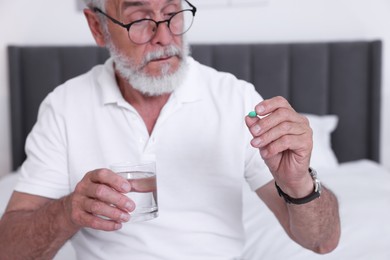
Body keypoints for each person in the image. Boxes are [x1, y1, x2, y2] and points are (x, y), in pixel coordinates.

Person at [0, 0, 341, 259]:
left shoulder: (235, 99)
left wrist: (299, 182)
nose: (164, 36)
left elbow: (322, 241)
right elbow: (9, 248)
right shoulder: (65, 106)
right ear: (97, 27)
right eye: (139, 19)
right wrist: (67, 212)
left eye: (172, 13)